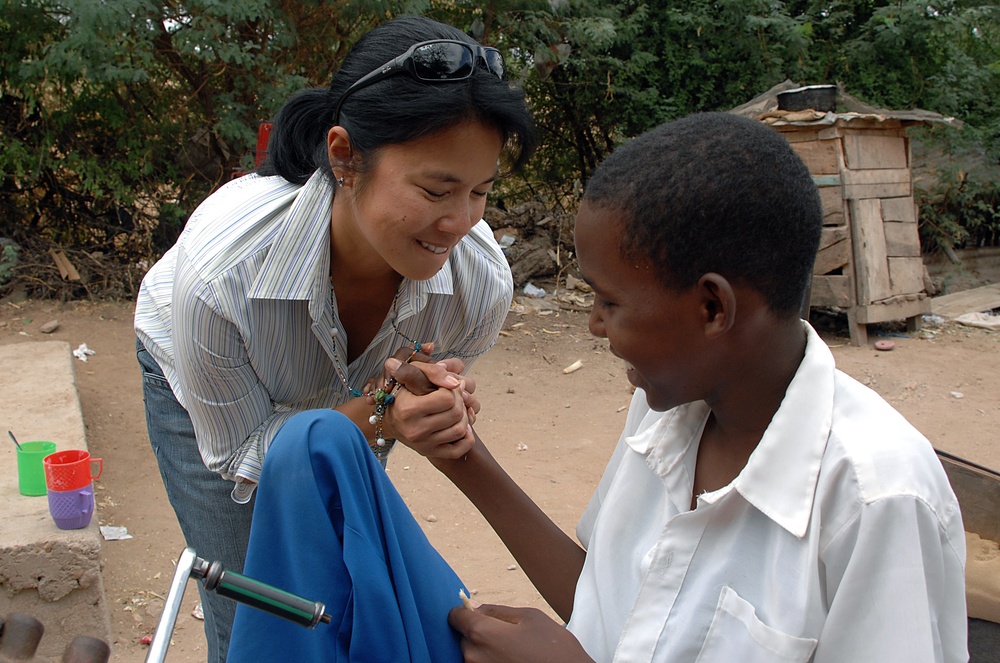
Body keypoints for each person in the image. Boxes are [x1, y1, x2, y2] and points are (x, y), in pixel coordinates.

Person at [228, 112, 968, 662]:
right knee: (314, 447)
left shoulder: (875, 498)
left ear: (713, 307)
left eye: (609, 303)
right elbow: (611, 600)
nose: (592, 326)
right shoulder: (670, 408)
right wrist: (464, 457)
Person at [133, 15, 537, 662]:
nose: (460, 221)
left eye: (481, 191)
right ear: (345, 156)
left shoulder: (477, 285)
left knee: (340, 581)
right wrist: (385, 410)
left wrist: (422, 402)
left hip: (345, 400)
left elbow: (383, 409)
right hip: (215, 398)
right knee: (256, 606)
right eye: (436, 189)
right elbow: (245, 452)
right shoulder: (221, 278)